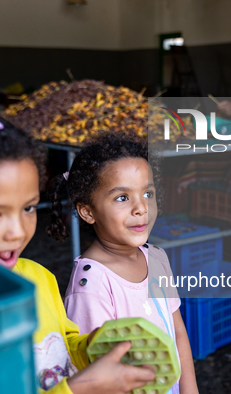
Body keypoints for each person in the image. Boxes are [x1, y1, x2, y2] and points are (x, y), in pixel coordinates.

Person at [0, 113, 156, 394]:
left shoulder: (37, 276)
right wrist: (82, 387)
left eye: (28, 208)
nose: (17, 232)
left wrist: (92, 346)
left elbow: (63, 346)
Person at [47, 133, 199, 394]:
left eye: (148, 193)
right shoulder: (91, 283)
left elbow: (178, 333)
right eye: (122, 198)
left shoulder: (157, 258)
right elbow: (94, 371)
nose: (141, 208)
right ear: (88, 211)